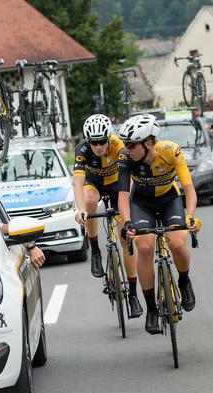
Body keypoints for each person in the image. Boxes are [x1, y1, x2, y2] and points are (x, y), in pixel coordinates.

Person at [116, 114, 201, 335]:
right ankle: (152, 309)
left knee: (177, 244)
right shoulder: (125, 159)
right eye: (125, 144)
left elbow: (189, 189)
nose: (127, 149)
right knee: (144, 248)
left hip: (169, 200)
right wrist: (127, 223)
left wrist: (190, 216)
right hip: (141, 202)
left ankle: (184, 280)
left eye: (132, 145)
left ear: (150, 143)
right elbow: (123, 196)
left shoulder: (171, 151)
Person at [73, 114, 142, 318]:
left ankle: (133, 294)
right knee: (89, 201)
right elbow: (77, 183)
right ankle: (94, 249)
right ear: (88, 140)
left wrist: (126, 213)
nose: (99, 146)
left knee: (125, 237)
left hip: (117, 185)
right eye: (94, 142)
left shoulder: (119, 146)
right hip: (94, 183)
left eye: (103, 141)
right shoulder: (82, 150)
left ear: (109, 137)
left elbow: (128, 181)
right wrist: (80, 209)